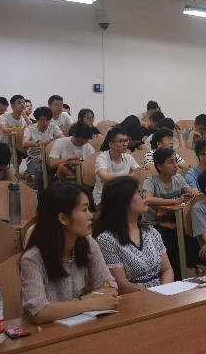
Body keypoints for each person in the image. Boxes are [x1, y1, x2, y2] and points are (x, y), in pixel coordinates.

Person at [20, 182, 118, 324]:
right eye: (84, 210)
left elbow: (109, 287)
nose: (90, 216)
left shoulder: (88, 243)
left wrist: (61, 306)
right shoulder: (32, 258)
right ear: (63, 218)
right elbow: (39, 312)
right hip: (47, 333)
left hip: (82, 326)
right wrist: (89, 302)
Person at [95, 176, 173, 292]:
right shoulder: (106, 240)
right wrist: (152, 294)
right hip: (133, 297)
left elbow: (167, 270)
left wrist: (163, 290)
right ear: (122, 200)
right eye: (138, 192)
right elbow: (121, 285)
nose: (144, 196)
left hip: (160, 292)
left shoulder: (151, 232)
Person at [142, 147, 198, 279]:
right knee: (171, 246)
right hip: (154, 224)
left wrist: (193, 193)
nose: (175, 165)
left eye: (176, 161)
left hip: (175, 222)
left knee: (192, 237)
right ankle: (175, 277)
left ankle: (191, 272)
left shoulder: (178, 178)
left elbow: (189, 191)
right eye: (171, 162)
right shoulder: (151, 181)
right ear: (160, 166)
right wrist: (175, 202)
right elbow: (147, 199)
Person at [93, 128, 140, 207]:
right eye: (121, 141)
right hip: (104, 199)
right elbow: (104, 176)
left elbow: (138, 172)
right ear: (111, 144)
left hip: (124, 197)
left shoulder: (128, 157)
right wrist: (128, 177)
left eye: (126, 140)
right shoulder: (102, 157)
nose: (125, 144)